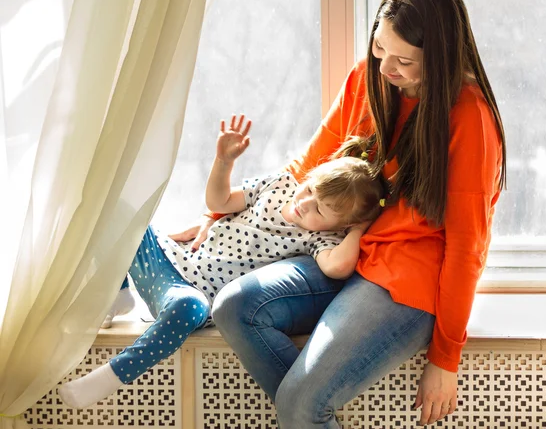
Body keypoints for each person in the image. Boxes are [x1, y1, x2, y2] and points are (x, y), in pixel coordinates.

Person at [197, 0, 507, 428]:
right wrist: (222, 213)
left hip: (406, 279)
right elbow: (306, 168)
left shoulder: (469, 117)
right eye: (381, 48)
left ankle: (303, 408)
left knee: (301, 405)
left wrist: (446, 359)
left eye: (405, 60)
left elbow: (467, 246)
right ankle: (304, 408)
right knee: (234, 306)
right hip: (343, 251)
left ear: (441, 60)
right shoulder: (368, 78)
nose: (386, 68)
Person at [57, 115, 386, 409]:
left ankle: (112, 376)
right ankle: (120, 291)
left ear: (338, 225)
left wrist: (358, 229)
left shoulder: (316, 240)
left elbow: (337, 268)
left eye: (320, 210)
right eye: (310, 191)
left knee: (188, 308)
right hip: (174, 259)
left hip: (189, 295)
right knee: (117, 212)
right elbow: (219, 201)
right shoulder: (279, 185)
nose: (306, 204)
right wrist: (223, 161)